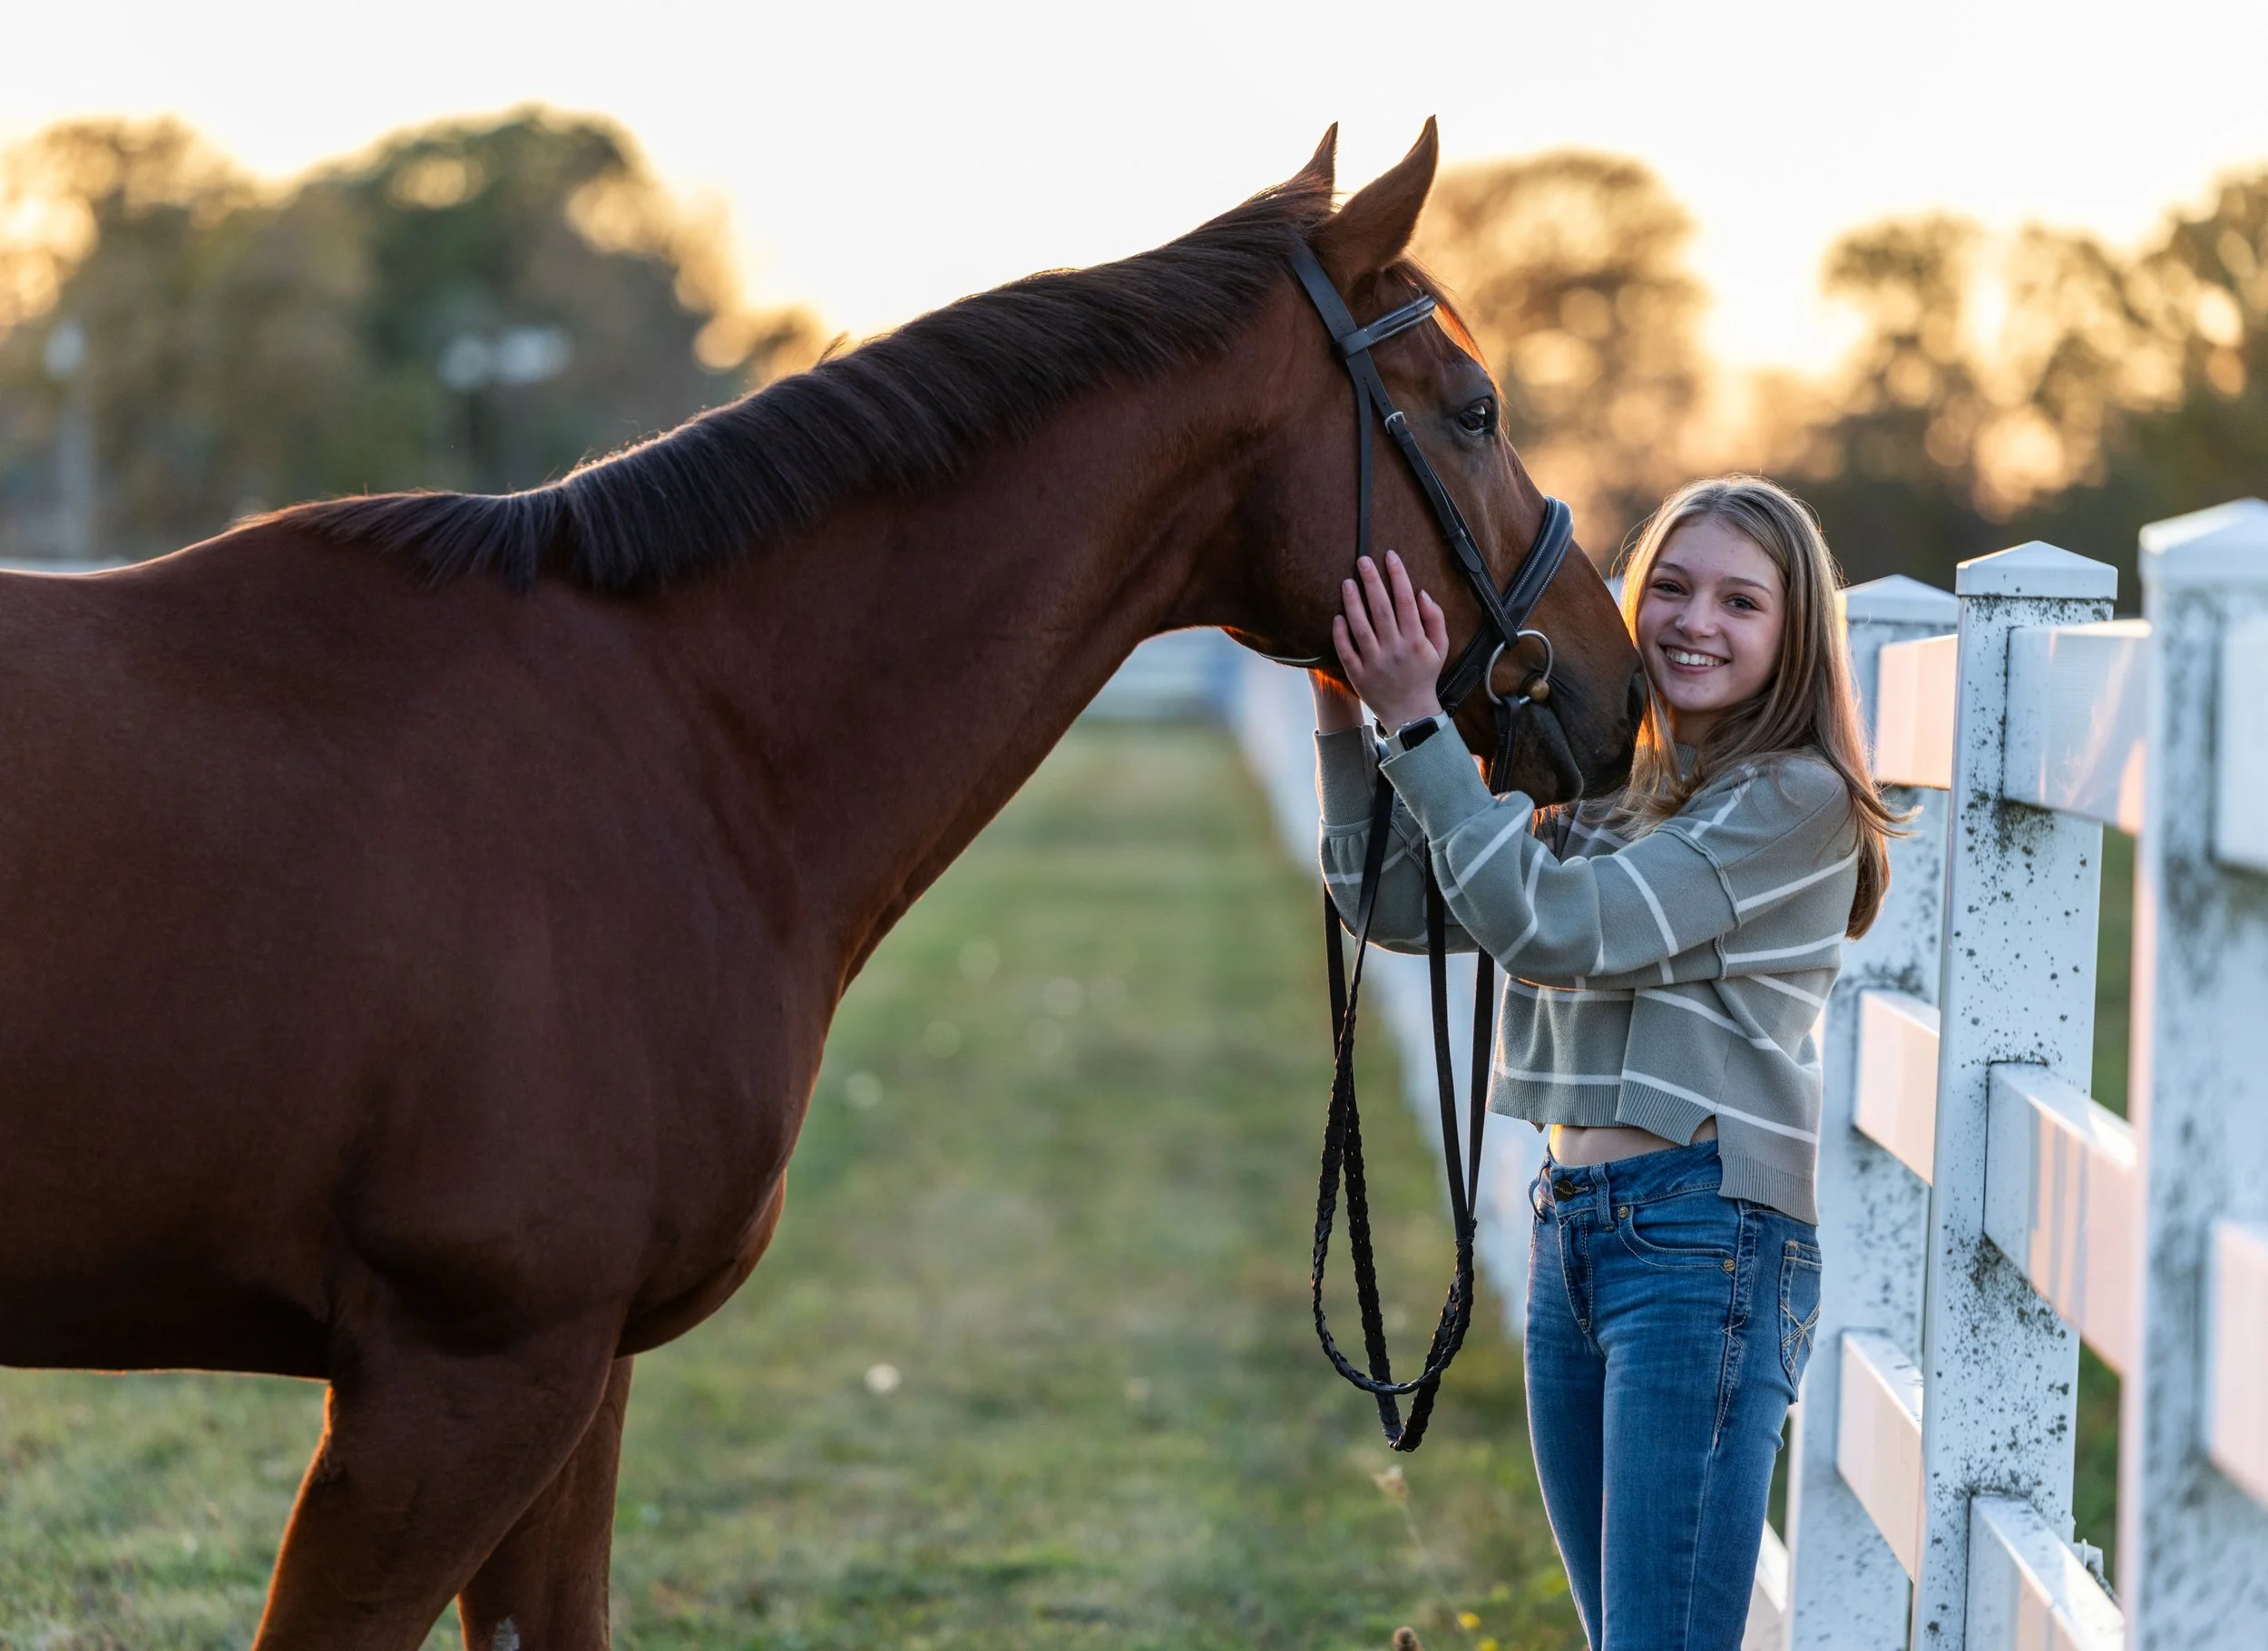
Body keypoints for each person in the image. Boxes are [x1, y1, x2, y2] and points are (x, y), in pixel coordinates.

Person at [1310, 475, 1899, 1651]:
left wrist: (1421, 724)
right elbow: (1401, 904)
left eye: (1741, 601)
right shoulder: (1611, 783)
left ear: (1796, 634)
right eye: (1672, 587)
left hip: (1705, 1239)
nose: (1695, 621)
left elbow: (1553, 927)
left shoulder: (1797, 798)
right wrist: (1343, 713)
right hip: (1574, 1228)